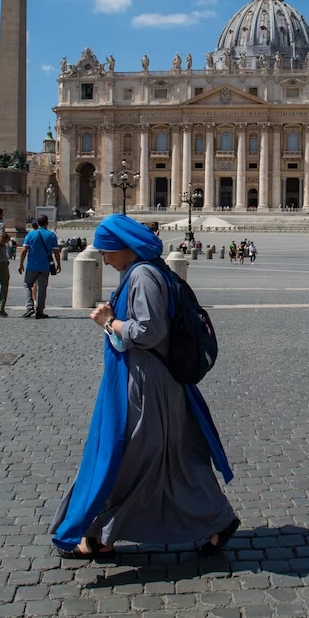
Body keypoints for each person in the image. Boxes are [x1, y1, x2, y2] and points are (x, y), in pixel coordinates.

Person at [51, 214, 238, 559]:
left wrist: (109, 321)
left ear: (123, 247)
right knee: (171, 456)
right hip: (149, 378)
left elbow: (149, 331)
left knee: (132, 459)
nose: (103, 257)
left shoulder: (143, 276)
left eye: (106, 250)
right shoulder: (142, 272)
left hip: (147, 383)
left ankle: (101, 536)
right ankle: (217, 520)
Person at [18, 214, 60, 318]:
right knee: (42, 289)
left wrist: (21, 264)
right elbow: (56, 251)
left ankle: (30, 306)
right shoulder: (52, 235)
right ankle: (40, 311)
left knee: (27, 285)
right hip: (45, 266)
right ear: (47, 223)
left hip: (32, 266)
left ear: (37, 223)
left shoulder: (31, 234)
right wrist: (59, 263)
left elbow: (24, 250)